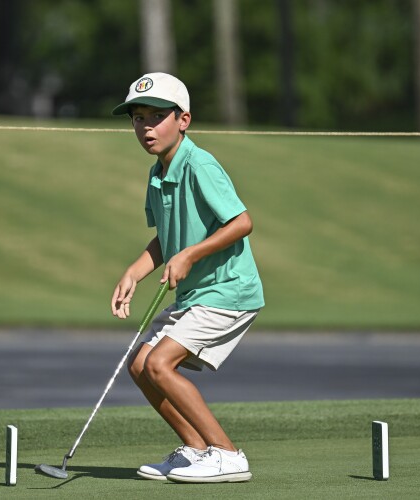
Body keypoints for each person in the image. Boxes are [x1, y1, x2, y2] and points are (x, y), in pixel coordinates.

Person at [110, 72, 264, 483]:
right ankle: (197, 451)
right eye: (138, 117)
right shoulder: (158, 173)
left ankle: (228, 455)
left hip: (229, 289)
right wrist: (135, 272)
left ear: (184, 120)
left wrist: (191, 255)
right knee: (140, 364)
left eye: (157, 116)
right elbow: (167, 236)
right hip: (199, 293)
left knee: (160, 363)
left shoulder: (199, 164)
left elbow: (242, 222)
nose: (146, 126)